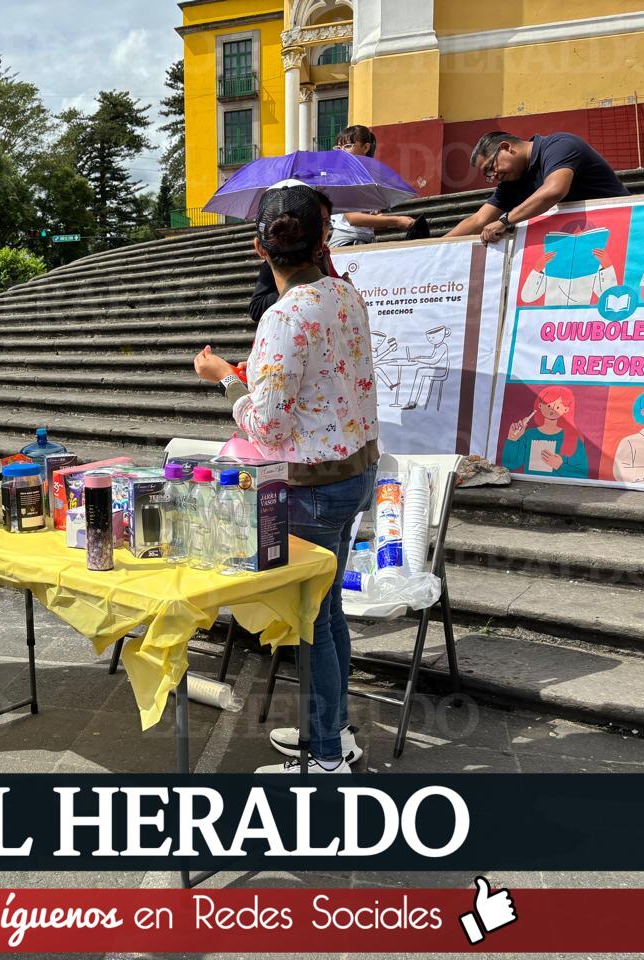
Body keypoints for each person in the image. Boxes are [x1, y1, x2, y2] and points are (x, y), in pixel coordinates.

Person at [195, 185, 380, 774]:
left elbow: (269, 430)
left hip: (314, 485)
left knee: (312, 620)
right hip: (354, 469)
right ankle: (334, 733)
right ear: (324, 238)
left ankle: (325, 759)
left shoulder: (284, 316)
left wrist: (226, 379)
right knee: (329, 614)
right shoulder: (346, 296)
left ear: (258, 247)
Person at [445, 131, 629, 245]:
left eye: (490, 167)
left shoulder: (560, 145)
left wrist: (505, 221)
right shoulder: (511, 181)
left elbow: (554, 190)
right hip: (578, 243)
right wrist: (431, 246)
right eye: (488, 175)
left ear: (506, 147)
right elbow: (478, 220)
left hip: (622, 232)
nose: (493, 176)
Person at [249, 188, 337, 323]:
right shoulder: (281, 316)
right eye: (318, 222)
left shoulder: (325, 255)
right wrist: (292, 290)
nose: (323, 228)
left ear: (259, 248)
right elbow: (256, 307)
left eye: (327, 222)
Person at [330, 126, 418, 246]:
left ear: (366, 147)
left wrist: (378, 220)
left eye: (348, 146)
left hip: (366, 241)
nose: (342, 151)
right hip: (347, 242)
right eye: (338, 148)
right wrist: (396, 220)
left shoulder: (370, 177)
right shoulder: (343, 177)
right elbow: (353, 218)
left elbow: (368, 217)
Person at [518, 218, 617, 307]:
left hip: (578, 321)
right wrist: (538, 269)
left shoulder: (595, 268)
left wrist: (607, 266)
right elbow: (528, 297)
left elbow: (609, 297)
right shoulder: (550, 267)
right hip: (550, 318)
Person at [499, 385, 589, 478]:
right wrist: (512, 439)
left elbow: (583, 473)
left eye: (558, 406)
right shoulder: (529, 435)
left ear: (566, 410)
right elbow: (510, 466)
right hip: (530, 485)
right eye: (549, 404)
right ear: (540, 405)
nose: (552, 409)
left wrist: (560, 466)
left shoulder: (572, 439)